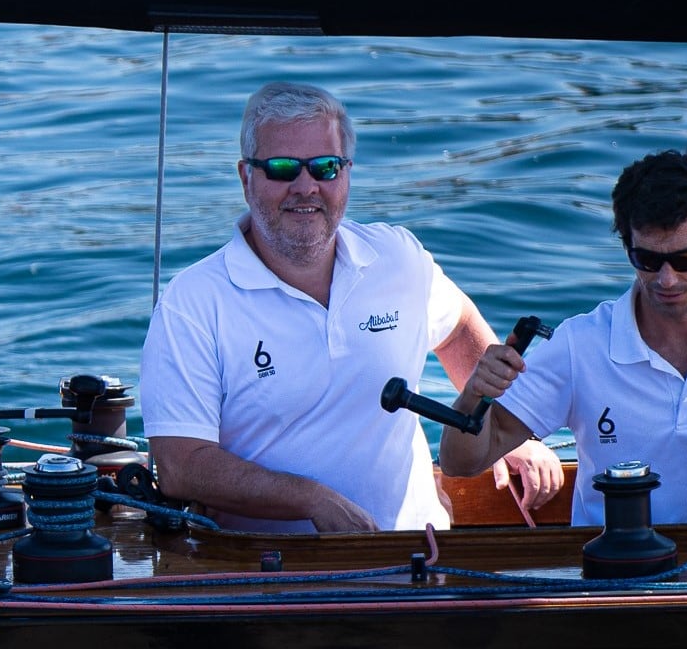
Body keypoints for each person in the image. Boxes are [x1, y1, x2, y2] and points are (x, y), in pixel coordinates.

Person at [141, 81, 561, 533]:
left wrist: (505, 434)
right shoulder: (192, 304)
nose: (306, 187)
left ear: (346, 173)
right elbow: (182, 465)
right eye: (283, 168)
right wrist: (309, 500)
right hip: (272, 577)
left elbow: (458, 328)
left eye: (325, 167)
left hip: (421, 554)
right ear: (246, 177)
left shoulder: (397, 257)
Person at [439, 148, 687, 523]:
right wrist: (476, 393)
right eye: (648, 259)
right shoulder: (581, 344)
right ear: (627, 246)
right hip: (608, 577)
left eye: (686, 260)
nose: (666, 279)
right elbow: (462, 462)